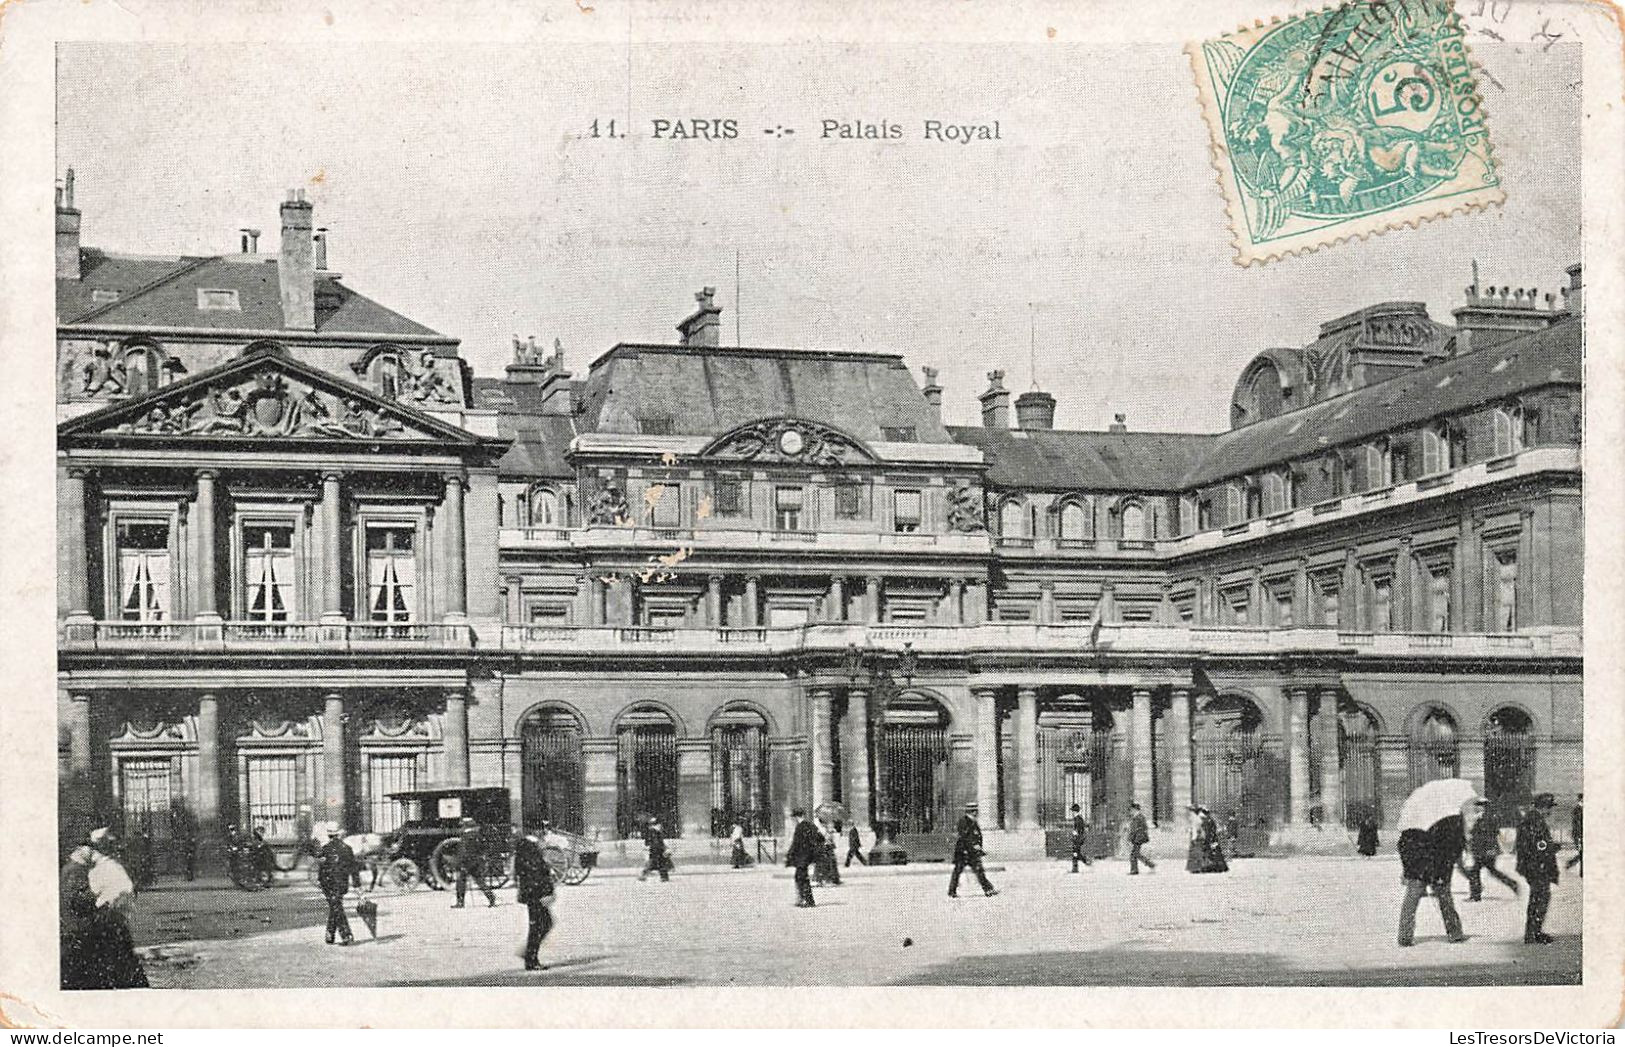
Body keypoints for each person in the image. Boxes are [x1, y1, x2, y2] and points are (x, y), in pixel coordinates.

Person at [85, 828, 148, 987]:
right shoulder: (107, 865)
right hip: (111, 917)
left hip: (109, 917)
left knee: (116, 957)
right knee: (120, 958)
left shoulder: (104, 866)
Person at [1396, 807, 1467, 947]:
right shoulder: (1451, 817)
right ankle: (1454, 932)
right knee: (1445, 899)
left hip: (1418, 867)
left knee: (1411, 900)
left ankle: (1404, 935)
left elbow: (1402, 845)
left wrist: (1408, 866)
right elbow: (1458, 843)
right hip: (1440, 866)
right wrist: (1450, 861)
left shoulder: (1413, 818)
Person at [1515, 793, 1560, 944]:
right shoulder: (1535, 821)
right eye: (1549, 808)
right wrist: (1551, 846)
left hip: (1534, 866)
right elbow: (1537, 845)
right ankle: (1533, 933)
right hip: (1537, 867)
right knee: (1540, 899)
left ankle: (1534, 932)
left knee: (1538, 899)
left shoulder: (1532, 819)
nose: (1550, 812)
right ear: (1544, 807)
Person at [513, 830, 556, 971]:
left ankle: (529, 955)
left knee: (541, 924)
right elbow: (537, 873)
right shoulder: (530, 847)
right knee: (541, 924)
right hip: (536, 893)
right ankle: (530, 958)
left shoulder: (525, 845)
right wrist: (546, 892)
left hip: (531, 891)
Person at [1460, 800, 1518, 901]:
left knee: (1475, 871)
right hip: (1484, 850)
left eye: (1480, 806)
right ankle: (1512, 884)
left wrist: (1475, 836)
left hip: (1485, 850)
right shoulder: (1484, 817)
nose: (1477, 808)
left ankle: (1476, 895)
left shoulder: (1487, 818)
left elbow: (1489, 834)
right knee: (1491, 871)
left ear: (1485, 807)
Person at [60, 845, 99, 989]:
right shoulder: (77, 871)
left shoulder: (69, 868)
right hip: (76, 920)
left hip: (68, 917)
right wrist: (95, 895)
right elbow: (77, 897)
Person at [316, 825, 361, 945]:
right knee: (336, 906)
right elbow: (354, 869)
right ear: (339, 835)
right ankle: (329, 934)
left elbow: (321, 868)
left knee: (336, 907)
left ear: (328, 835)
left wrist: (319, 881)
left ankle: (346, 935)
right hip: (342, 883)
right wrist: (357, 886)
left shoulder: (324, 849)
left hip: (328, 884)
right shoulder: (348, 849)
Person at [948, 805, 998, 898]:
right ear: (971, 811)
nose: (976, 813)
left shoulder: (973, 821)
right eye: (974, 811)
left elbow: (975, 836)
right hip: (964, 852)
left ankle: (988, 889)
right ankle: (952, 891)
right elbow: (964, 837)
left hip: (971, 851)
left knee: (979, 870)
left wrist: (978, 848)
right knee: (958, 871)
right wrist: (971, 848)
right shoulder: (964, 821)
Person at [452, 816, 497, 907]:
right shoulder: (477, 835)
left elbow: (463, 851)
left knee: (460, 882)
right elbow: (481, 848)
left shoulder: (465, 836)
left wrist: (460, 863)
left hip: (466, 862)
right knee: (480, 881)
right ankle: (491, 897)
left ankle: (460, 902)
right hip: (475, 861)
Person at [787, 808, 821, 908]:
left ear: (796, 817)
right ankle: (805, 899)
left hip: (801, 856)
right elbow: (820, 838)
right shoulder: (810, 825)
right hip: (807, 856)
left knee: (801, 878)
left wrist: (790, 854)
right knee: (801, 877)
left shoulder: (800, 827)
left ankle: (807, 900)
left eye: (794, 818)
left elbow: (796, 843)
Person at [638, 817, 670, 882]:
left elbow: (650, 842)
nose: (660, 826)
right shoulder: (654, 831)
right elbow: (655, 842)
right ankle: (663, 877)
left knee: (658, 864)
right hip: (656, 850)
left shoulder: (655, 831)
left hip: (656, 850)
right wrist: (663, 848)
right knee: (656, 863)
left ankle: (664, 877)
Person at [1127, 802, 1156, 874]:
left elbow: (1139, 829)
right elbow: (1134, 829)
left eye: (1131, 810)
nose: (1130, 811)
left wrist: (1135, 837)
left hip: (1138, 838)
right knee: (1135, 854)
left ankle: (1149, 865)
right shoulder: (1136, 817)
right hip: (1137, 838)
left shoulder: (1139, 817)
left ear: (1135, 809)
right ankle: (1136, 869)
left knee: (1134, 854)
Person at [1068, 804, 1093, 873]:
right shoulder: (1078, 818)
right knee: (1076, 852)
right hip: (1078, 838)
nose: (1072, 813)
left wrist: (1075, 833)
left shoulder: (1078, 819)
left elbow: (1079, 830)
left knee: (1075, 853)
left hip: (1078, 838)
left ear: (1074, 811)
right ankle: (1084, 862)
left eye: (1072, 811)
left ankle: (1078, 867)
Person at [1565, 794, 1583, 875]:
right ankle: (1574, 864)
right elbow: (1576, 824)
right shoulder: (1577, 809)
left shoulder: (1579, 809)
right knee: (1582, 852)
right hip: (1579, 834)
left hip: (1580, 834)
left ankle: (1573, 864)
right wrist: (1577, 835)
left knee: (1582, 853)